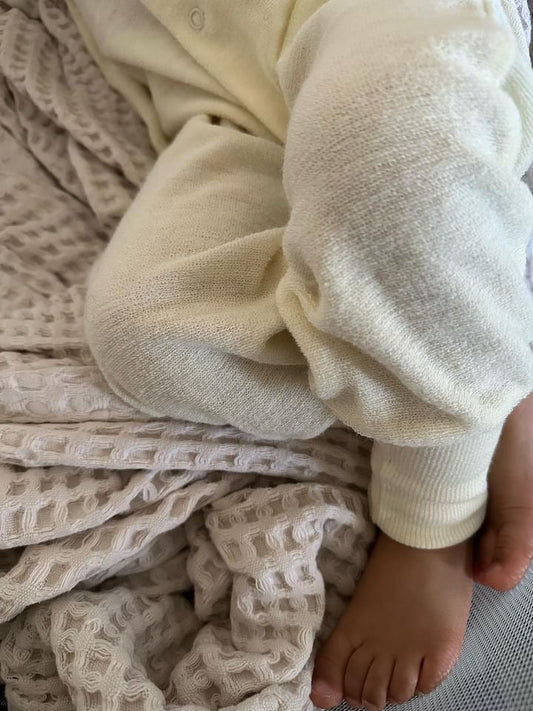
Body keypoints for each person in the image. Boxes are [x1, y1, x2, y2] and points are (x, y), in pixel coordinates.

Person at [65, 0, 533, 708]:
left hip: (372, 19)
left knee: (395, 142)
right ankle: (468, 345)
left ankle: (435, 494)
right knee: (139, 331)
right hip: (224, 107)